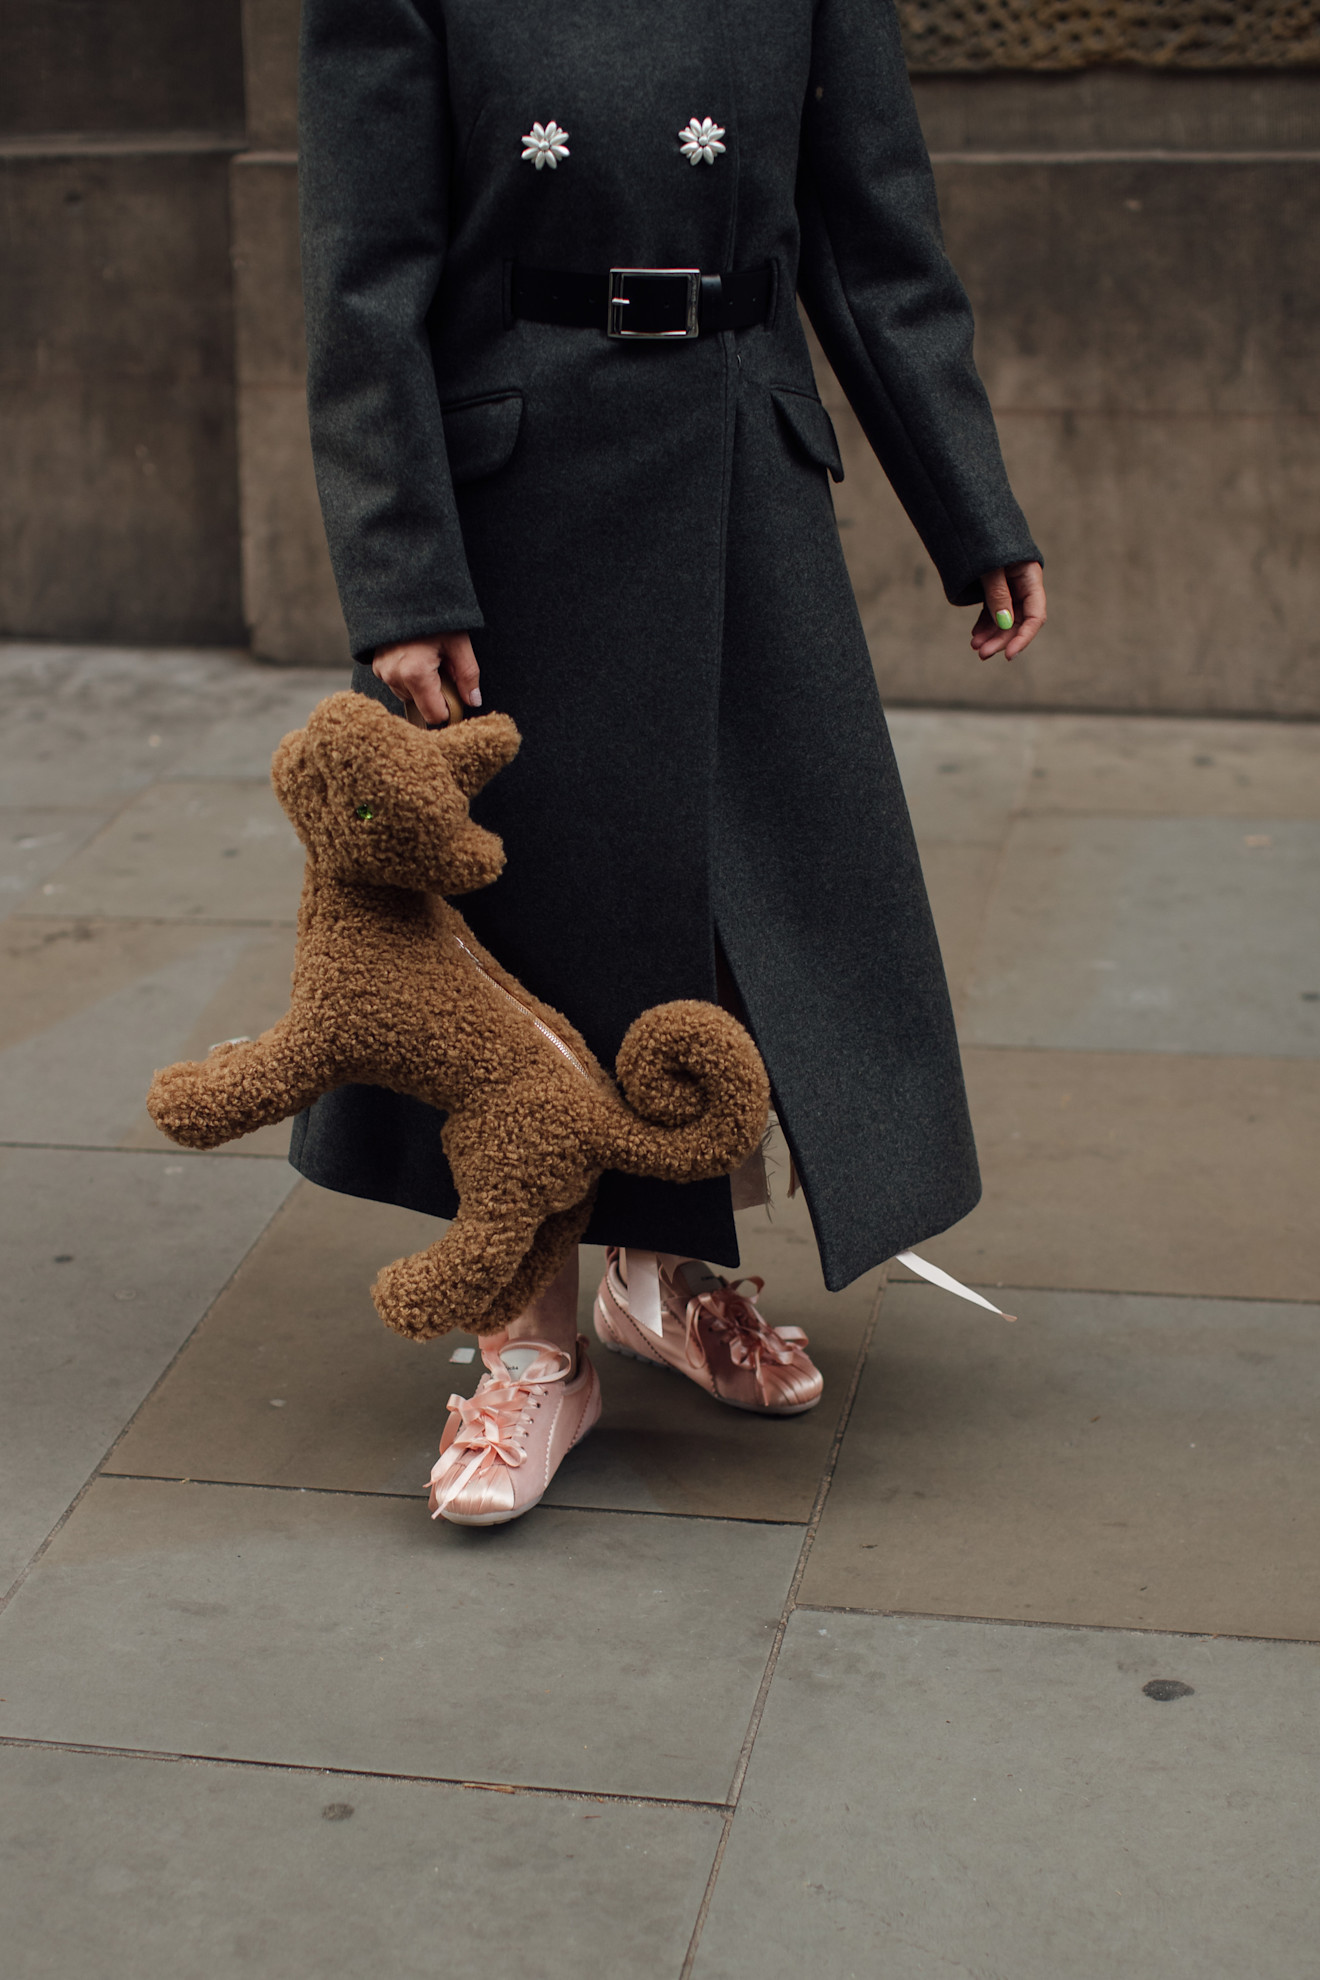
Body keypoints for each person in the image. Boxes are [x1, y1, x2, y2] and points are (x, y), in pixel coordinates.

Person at [294, 0, 1046, 1526]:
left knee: (728, 909)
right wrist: (402, 579)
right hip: (514, 502)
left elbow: (871, 239)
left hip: (738, 477)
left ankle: (669, 1267)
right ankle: (529, 1342)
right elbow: (363, 279)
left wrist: (972, 505)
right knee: (528, 932)